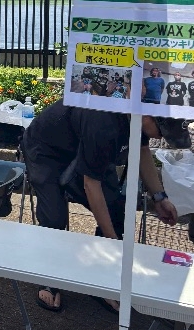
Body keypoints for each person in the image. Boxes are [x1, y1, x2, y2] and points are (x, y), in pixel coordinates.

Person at [21, 86, 177, 313]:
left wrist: (160, 197)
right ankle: (48, 278)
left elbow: (142, 150)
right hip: (46, 149)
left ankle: (101, 280)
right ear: (147, 117)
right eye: (162, 132)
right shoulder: (104, 122)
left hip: (84, 146)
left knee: (116, 209)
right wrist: (113, 243)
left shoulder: (138, 109)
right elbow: (91, 185)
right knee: (54, 216)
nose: (162, 138)